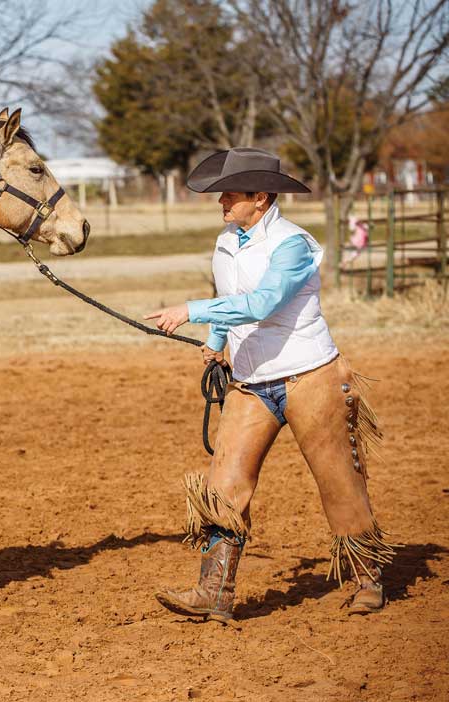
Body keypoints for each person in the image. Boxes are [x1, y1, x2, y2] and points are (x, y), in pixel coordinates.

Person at [143, 147, 395, 623]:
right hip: (250, 382)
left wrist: (191, 312)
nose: (221, 202)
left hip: (310, 375)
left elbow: (262, 304)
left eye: (230, 194)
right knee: (224, 486)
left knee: (338, 480)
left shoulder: (292, 244)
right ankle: (213, 591)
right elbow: (230, 298)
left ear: (260, 197)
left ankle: (367, 578)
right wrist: (217, 340)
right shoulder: (226, 241)